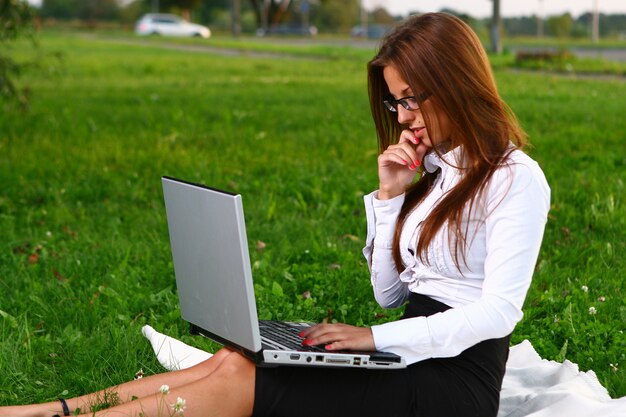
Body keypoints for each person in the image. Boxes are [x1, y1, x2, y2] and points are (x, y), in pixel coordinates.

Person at [1, 12, 550, 417]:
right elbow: (390, 296)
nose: (403, 117)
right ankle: (54, 410)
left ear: (454, 82)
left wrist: (374, 340)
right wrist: (389, 198)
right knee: (235, 359)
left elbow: (498, 314)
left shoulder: (514, 179)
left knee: (246, 381)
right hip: (404, 355)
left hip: (451, 388)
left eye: (411, 99)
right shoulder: (434, 172)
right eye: (395, 101)